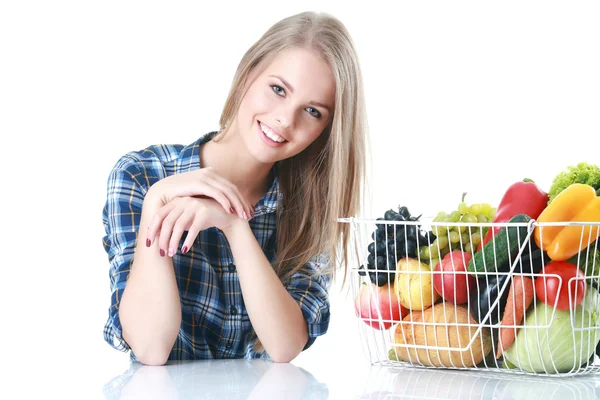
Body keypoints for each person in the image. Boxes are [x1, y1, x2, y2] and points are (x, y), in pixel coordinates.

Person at [101, 10, 369, 366]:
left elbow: (284, 345)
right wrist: (156, 202)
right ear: (247, 75)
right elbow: (150, 347)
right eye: (278, 90)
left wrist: (234, 224)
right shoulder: (141, 176)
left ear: (327, 130)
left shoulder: (307, 212)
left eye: (313, 111)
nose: (285, 119)